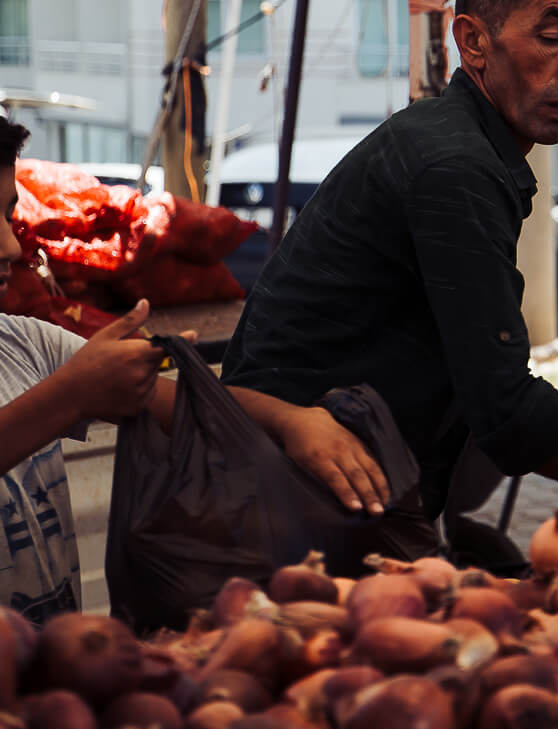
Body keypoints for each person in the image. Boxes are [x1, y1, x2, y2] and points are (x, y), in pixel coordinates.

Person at [222, 0, 558, 550]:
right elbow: (509, 416)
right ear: (473, 41)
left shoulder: (454, 142)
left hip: (337, 495)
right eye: (553, 38)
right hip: (295, 512)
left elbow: (496, 389)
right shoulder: (454, 166)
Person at [0, 115, 394, 623]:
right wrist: (72, 398)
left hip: (48, 676)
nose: (11, 247)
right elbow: (70, 398)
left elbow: (189, 403)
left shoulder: (28, 344)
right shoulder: (51, 371)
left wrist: (290, 421)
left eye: (9, 216)